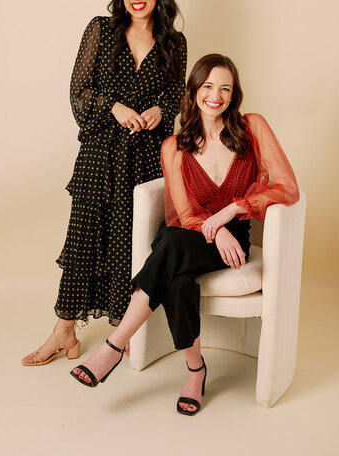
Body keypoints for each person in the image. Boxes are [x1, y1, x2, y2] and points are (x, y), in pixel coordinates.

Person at [70, 54, 300, 415]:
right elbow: (185, 215)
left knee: (169, 245)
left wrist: (233, 211)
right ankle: (196, 369)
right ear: (194, 91)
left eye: (225, 88)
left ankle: (114, 346)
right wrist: (214, 229)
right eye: (208, 86)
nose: (216, 95)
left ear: (234, 94)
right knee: (177, 272)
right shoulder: (174, 147)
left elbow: (287, 188)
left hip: (230, 239)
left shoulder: (252, 126)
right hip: (188, 233)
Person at [22, 0, 187, 366]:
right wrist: (114, 107)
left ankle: (125, 329)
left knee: (134, 243)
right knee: (83, 240)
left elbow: (176, 97)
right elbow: (79, 90)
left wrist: (157, 112)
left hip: (148, 156)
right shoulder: (101, 29)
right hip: (100, 154)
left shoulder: (174, 44)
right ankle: (63, 331)